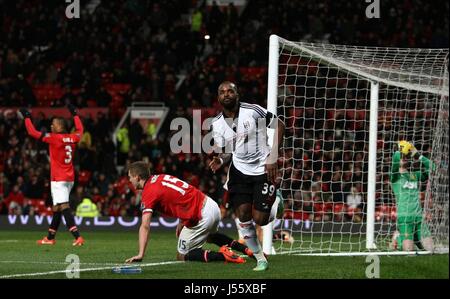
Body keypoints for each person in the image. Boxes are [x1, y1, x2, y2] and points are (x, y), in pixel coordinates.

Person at [209, 81, 285, 271]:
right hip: (239, 172)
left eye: (230, 91)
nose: (226, 94)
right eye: (222, 92)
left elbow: (279, 124)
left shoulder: (252, 111)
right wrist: (220, 160)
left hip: (263, 169)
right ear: (218, 98)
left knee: (260, 219)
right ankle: (260, 258)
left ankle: (277, 201)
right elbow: (227, 150)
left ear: (237, 94)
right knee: (243, 215)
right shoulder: (216, 124)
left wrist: (273, 156)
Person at [124, 161, 250, 264]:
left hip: (201, 215)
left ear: (137, 177)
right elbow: (180, 196)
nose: (129, 180)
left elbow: (145, 225)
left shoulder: (148, 191)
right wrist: (182, 221)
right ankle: (246, 249)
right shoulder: (161, 177)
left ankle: (224, 256)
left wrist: (140, 254)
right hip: (211, 205)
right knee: (210, 236)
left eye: (130, 177)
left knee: (182, 255)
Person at [20, 105, 85, 246]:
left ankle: (77, 236)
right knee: (56, 208)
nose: (51, 125)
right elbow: (80, 130)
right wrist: (75, 115)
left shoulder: (54, 138)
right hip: (69, 178)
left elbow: (32, 132)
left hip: (59, 179)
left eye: (53, 124)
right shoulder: (73, 137)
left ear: (59, 126)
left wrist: (26, 117)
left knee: (64, 206)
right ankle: (50, 238)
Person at [390, 140, 434, 252]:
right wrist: (401, 149)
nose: (403, 157)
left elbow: (433, 168)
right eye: (402, 155)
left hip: (419, 217)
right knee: (409, 251)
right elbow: (395, 159)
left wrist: (417, 155)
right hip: (405, 218)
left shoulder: (414, 175)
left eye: (405, 155)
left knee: (431, 249)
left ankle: (415, 239)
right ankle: (398, 238)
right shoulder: (395, 176)